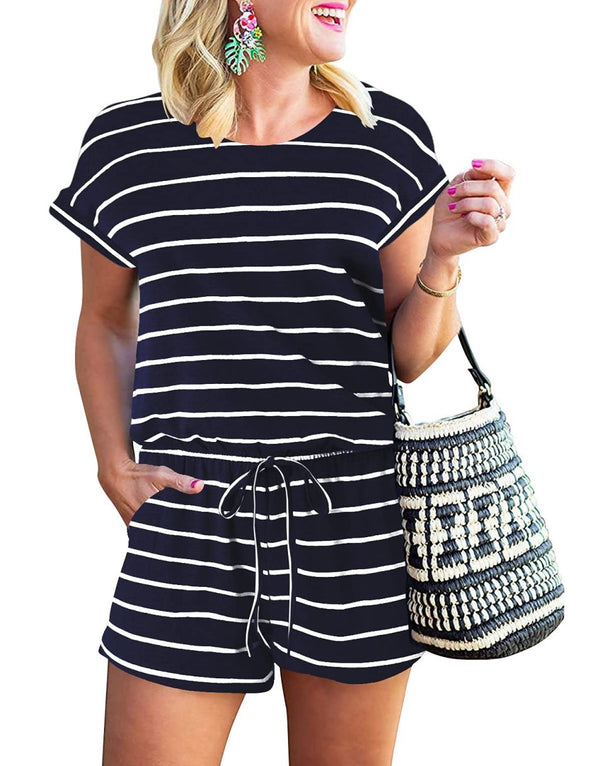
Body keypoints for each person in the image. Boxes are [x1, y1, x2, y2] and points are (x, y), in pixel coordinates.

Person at [48, 1, 514, 763]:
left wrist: (444, 260)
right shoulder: (125, 143)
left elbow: (407, 357)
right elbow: (104, 319)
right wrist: (112, 462)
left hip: (352, 522)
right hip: (191, 518)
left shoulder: (386, 138)